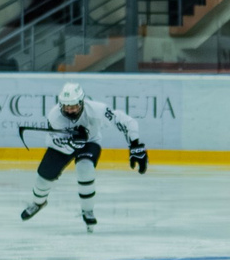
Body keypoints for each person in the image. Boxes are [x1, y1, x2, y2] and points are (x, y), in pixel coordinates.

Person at [21, 80, 147, 231]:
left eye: (73, 106)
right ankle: (38, 203)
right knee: (43, 178)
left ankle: (88, 210)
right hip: (60, 147)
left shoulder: (97, 110)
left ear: (82, 102)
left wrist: (135, 146)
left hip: (90, 142)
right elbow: (58, 142)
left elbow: (127, 121)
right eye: (66, 107)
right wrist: (72, 143)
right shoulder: (54, 116)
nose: (70, 110)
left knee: (85, 168)